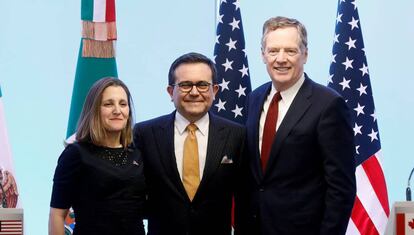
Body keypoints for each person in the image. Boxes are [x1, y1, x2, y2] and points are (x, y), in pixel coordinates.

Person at [238, 16, 356, 235]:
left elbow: (341, 188)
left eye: (290, 51)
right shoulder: (254, 98)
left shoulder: (329, 105)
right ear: (263, 55)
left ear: (305, 54)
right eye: (273, 51)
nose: (281, 59)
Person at [134, 52, 245, 235]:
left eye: (202, 85)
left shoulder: (237, 135)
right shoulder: (145, 134)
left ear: (215, 91)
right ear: (171, 92)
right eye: (185, 85)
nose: (194, 92)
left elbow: (245, 199)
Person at [49, 77, 145, 235]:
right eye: (108, 104)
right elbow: (57, 215)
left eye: (123, 104)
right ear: (94, 110)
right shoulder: (75, 154)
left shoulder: (138, 151)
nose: (117, 110)